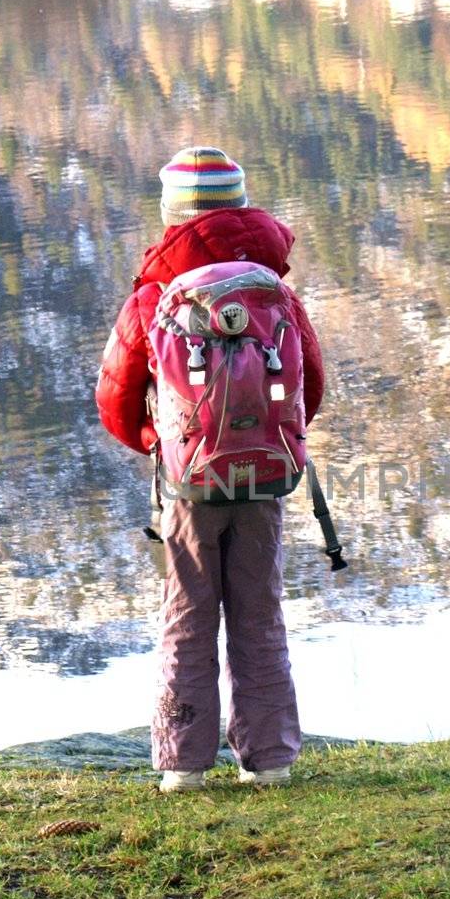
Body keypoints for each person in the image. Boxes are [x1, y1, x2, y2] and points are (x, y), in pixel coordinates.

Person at [95, 147, 324, 792]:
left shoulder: (154, 296)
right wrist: (266, 434)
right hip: (265, 477)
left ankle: (183, 764)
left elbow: (114, 398)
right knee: (260, 608)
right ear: (241, 207)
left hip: (188, 482)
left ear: (172, 215)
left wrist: (161, 442)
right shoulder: (274, 292)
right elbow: (311, 386)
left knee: (188, 610)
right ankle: (271, 758)